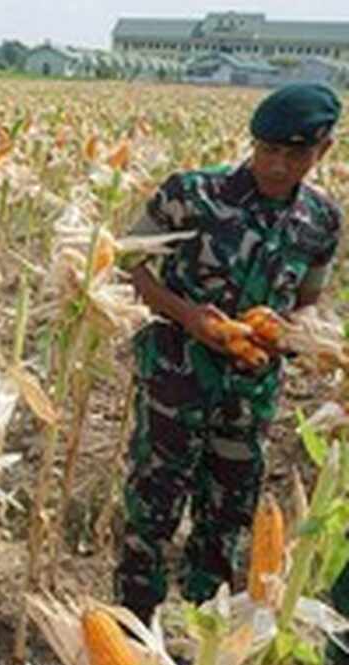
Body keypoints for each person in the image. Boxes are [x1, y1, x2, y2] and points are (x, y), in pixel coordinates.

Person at [115, 83, 342, 630]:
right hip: (176, 381)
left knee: (228, 518)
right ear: (252, 143)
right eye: (268, 151)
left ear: (324, 152)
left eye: (295, 155)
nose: (279, 166)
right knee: (153, 507)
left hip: (250, 396)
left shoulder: (321, 221)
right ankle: (130, 627)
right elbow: (130, 264)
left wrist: (295, 337)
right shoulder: (191, 194)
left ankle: (204, 634)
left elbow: (307, 303)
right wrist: (189, 317)